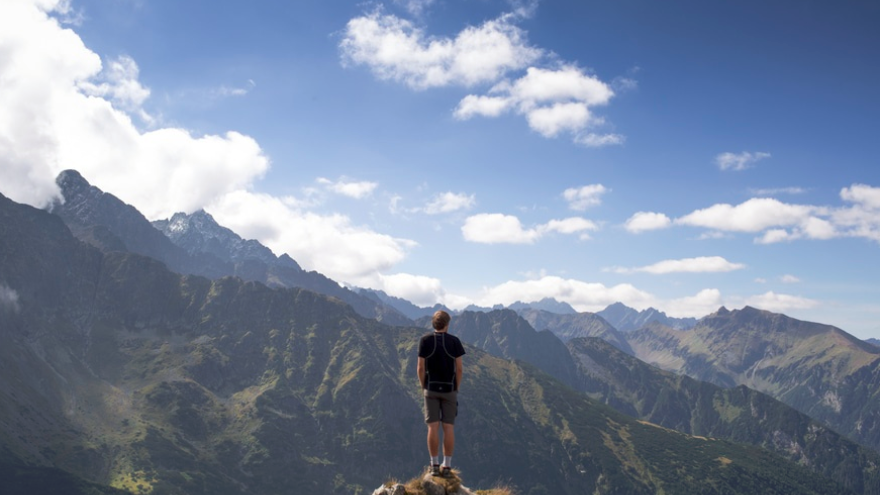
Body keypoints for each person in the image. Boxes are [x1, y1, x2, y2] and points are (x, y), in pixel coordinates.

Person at [417, 310, 465, 478]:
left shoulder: (425, 341)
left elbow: (420, 368)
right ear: (447, 324)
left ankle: (434, 464)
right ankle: (447, 466)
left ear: (433, 324)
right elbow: (459, 369)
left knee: (432, 426)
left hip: (430, 388)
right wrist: (456, 387)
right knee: (448, 427)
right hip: (449, 389)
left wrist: (424, 386)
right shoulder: (454, 342)